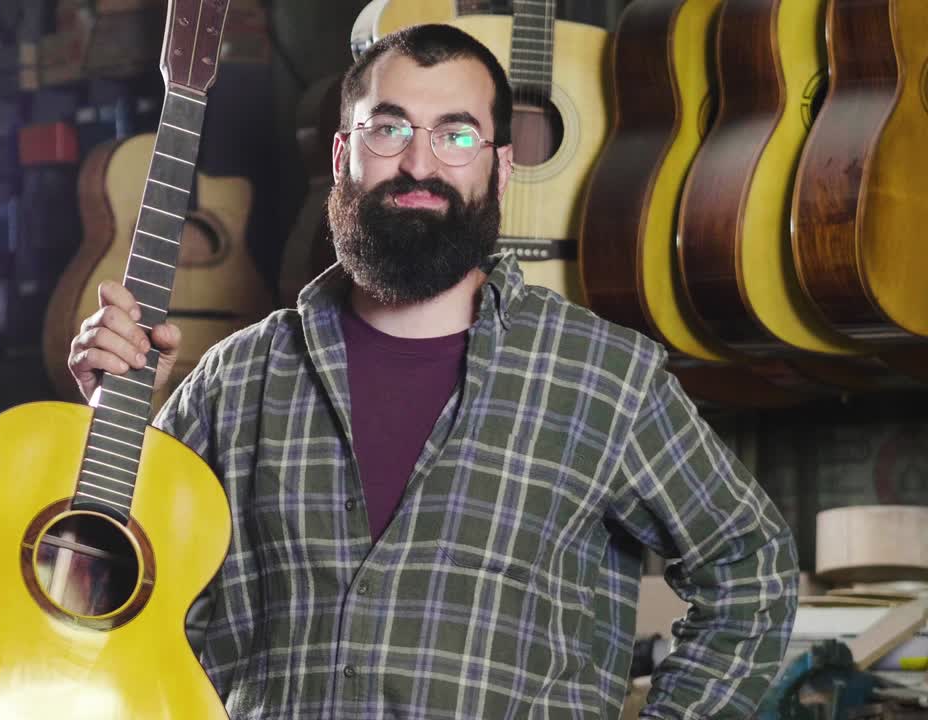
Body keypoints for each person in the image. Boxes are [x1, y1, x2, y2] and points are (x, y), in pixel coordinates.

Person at [68, 23, 798, 719]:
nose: (420, 165)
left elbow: (751, 570)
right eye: (388, 130)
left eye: (456, 135)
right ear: (340, 157)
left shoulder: (604, 377)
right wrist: (116, 414)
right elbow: (109, 593)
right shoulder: (233, 381)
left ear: (501, 167)